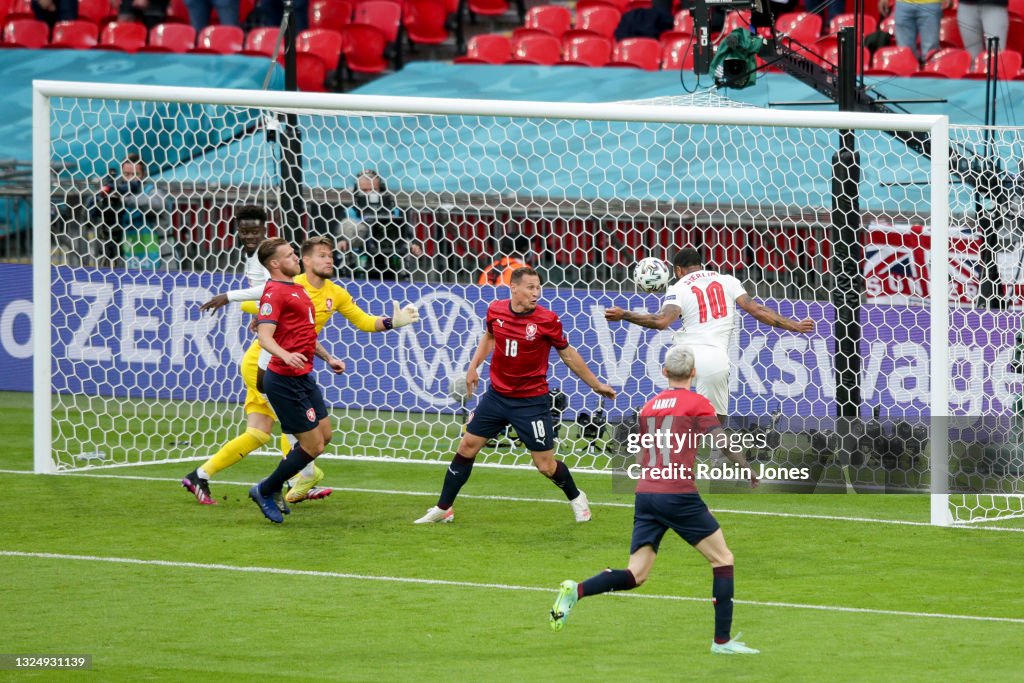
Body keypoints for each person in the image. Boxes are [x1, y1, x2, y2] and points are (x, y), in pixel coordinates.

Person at [549, 345, 760, 655]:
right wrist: (746, 468)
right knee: (723, 559)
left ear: (664, 373)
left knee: (636, 574)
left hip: (647, 494)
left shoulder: (649, 407)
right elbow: (722, 442)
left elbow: (641, 454)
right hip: (677, 495)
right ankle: (722, 642)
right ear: (693, 373)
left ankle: (576, 591)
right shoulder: (698, 403)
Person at [185, 227, 419, 505]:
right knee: (296, 425)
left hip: (287, 364)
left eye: (331, 255)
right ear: (305, 261)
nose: (329, 260)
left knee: (259, 433)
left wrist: (394, 322)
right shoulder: (290, 284)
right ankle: (300, 479)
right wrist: (259, 312)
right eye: (321, 256)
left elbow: (365, 321)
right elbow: (254, 303)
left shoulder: (336, 293)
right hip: (265, 363)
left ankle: (200, 475)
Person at [414, 267, 617, 524]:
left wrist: (596, 385)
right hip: (497, 396)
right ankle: (444, 508)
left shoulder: (547, 320)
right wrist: (474, 367)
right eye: (531, 287)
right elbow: (489, 336)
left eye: (538, 288)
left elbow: (568, 354)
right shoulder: (495, 310)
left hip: (531, 402)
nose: (536, 293)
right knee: (466, 446)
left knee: (545, 466)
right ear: (514, 288)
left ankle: (577, 497)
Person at [604, 247, 814, 422]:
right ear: (700, 265)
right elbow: (757, 310)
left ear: (678, 270)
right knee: (715, 421)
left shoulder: (679, 287)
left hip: (683, 356)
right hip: (715, 359)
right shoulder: (729, 281)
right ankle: (715, 459)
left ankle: (659, 427)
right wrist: (795, 325)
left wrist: (625, 314)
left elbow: (662, 321)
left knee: (678, 407)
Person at [247, 237, 332, 523]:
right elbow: (265, 337)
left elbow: (305, 334)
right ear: (274, 264)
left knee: (324, 436)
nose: (296, 258)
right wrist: (285, 355)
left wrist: (328, 357)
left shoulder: (296, 289)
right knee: (313, 446)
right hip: (284, 380)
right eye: (290, 255)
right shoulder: (274, 293)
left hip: (303, 376)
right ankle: (266, 489)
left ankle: (278, 483)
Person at [88, 154, 174, 270]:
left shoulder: (154, 192)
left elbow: (156, 204)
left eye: (135, 174)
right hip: (130, 266)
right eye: (127, 174)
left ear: (143, 175)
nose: (130, 179)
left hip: (162, 265)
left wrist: (124, 200)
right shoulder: (118, 197)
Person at [346, 169, 411, 281]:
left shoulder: (394, 212)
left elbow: (406, 236)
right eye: (364, 190)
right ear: (356, 191)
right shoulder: (349, 212)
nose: (369, 194)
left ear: (381, 189)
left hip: (391, 262)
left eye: (373, 190)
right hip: (359, 263)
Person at [880, 0, 951, 63]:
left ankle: (930, 75)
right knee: (904, 52)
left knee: (930, 53)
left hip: (931, 3)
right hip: (903, 4)